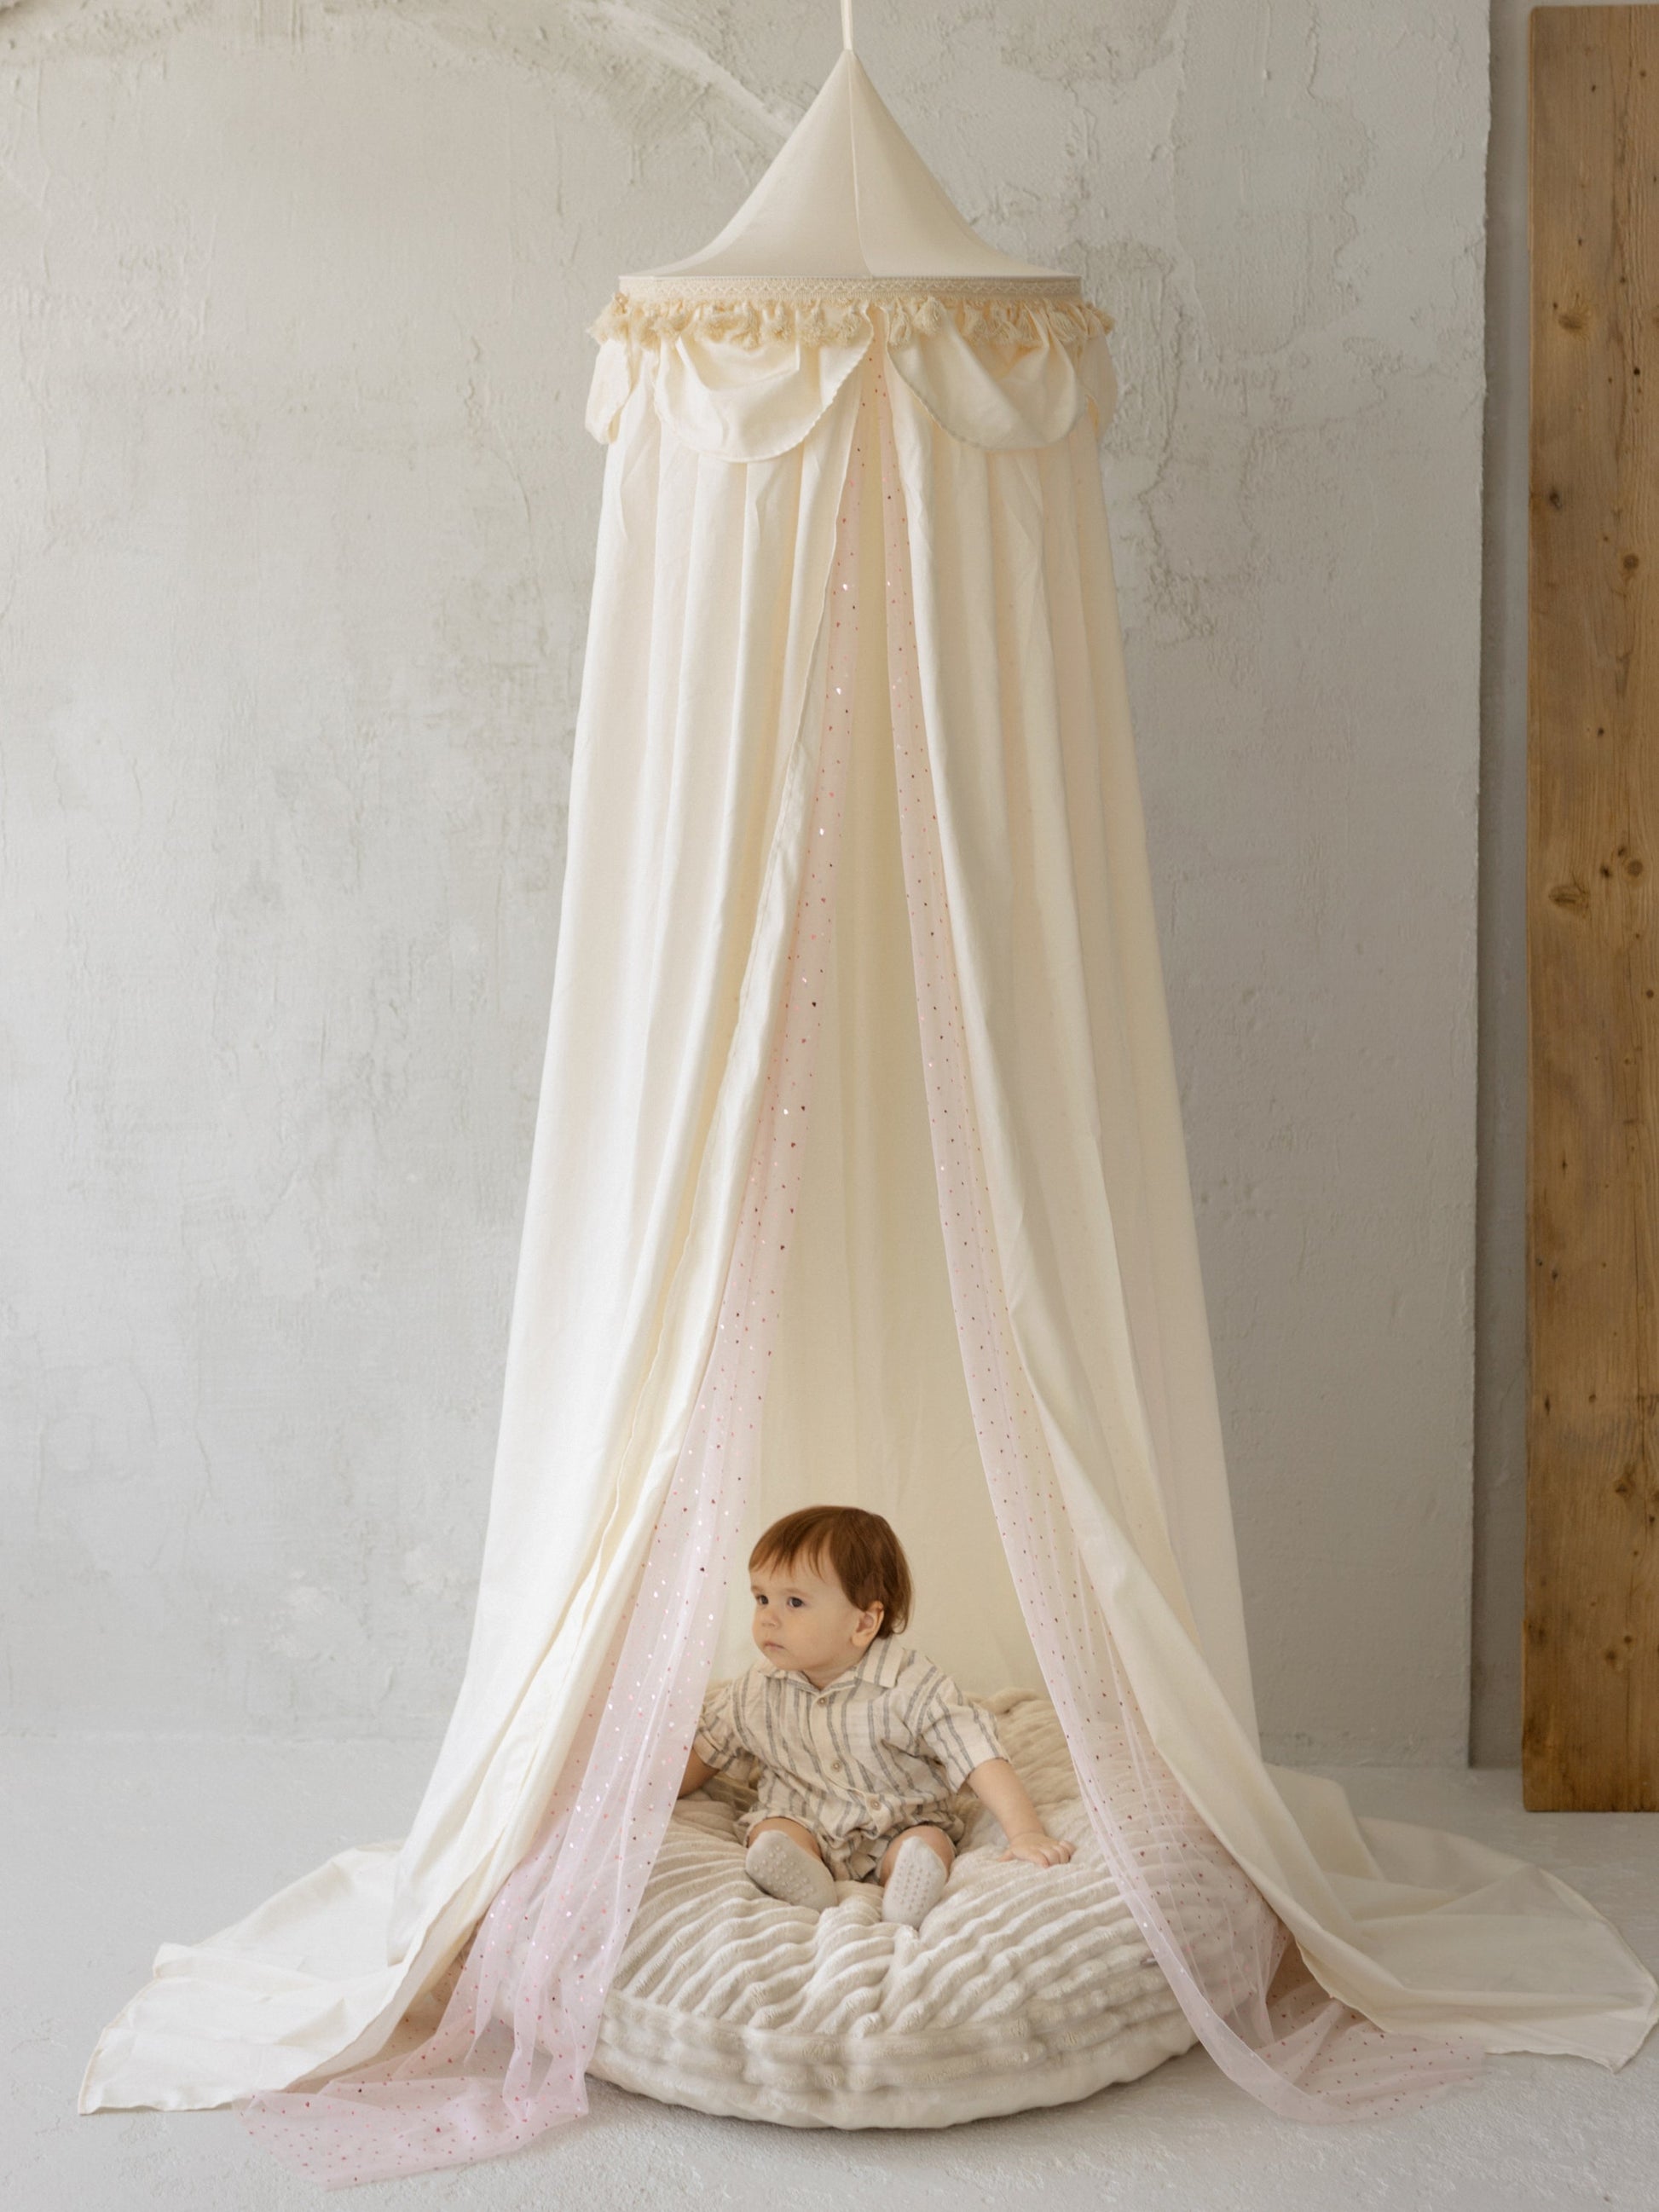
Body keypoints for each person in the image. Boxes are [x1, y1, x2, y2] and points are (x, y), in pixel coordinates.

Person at [679, 1505, 1073, 1928]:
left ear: (864, 1623)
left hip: (896, 1823)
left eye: (794, 1602)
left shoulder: (912, 1686)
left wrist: (1025, 1832)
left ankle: (907, 1883)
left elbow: (978, 1754)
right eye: (761, 1598)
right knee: (771, 1832)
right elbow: (705, 1751)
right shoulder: (756, 1688)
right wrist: (642, 1795)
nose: (768, 1618)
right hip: (802, 1818)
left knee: (926, 1841)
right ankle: (803, 1879)